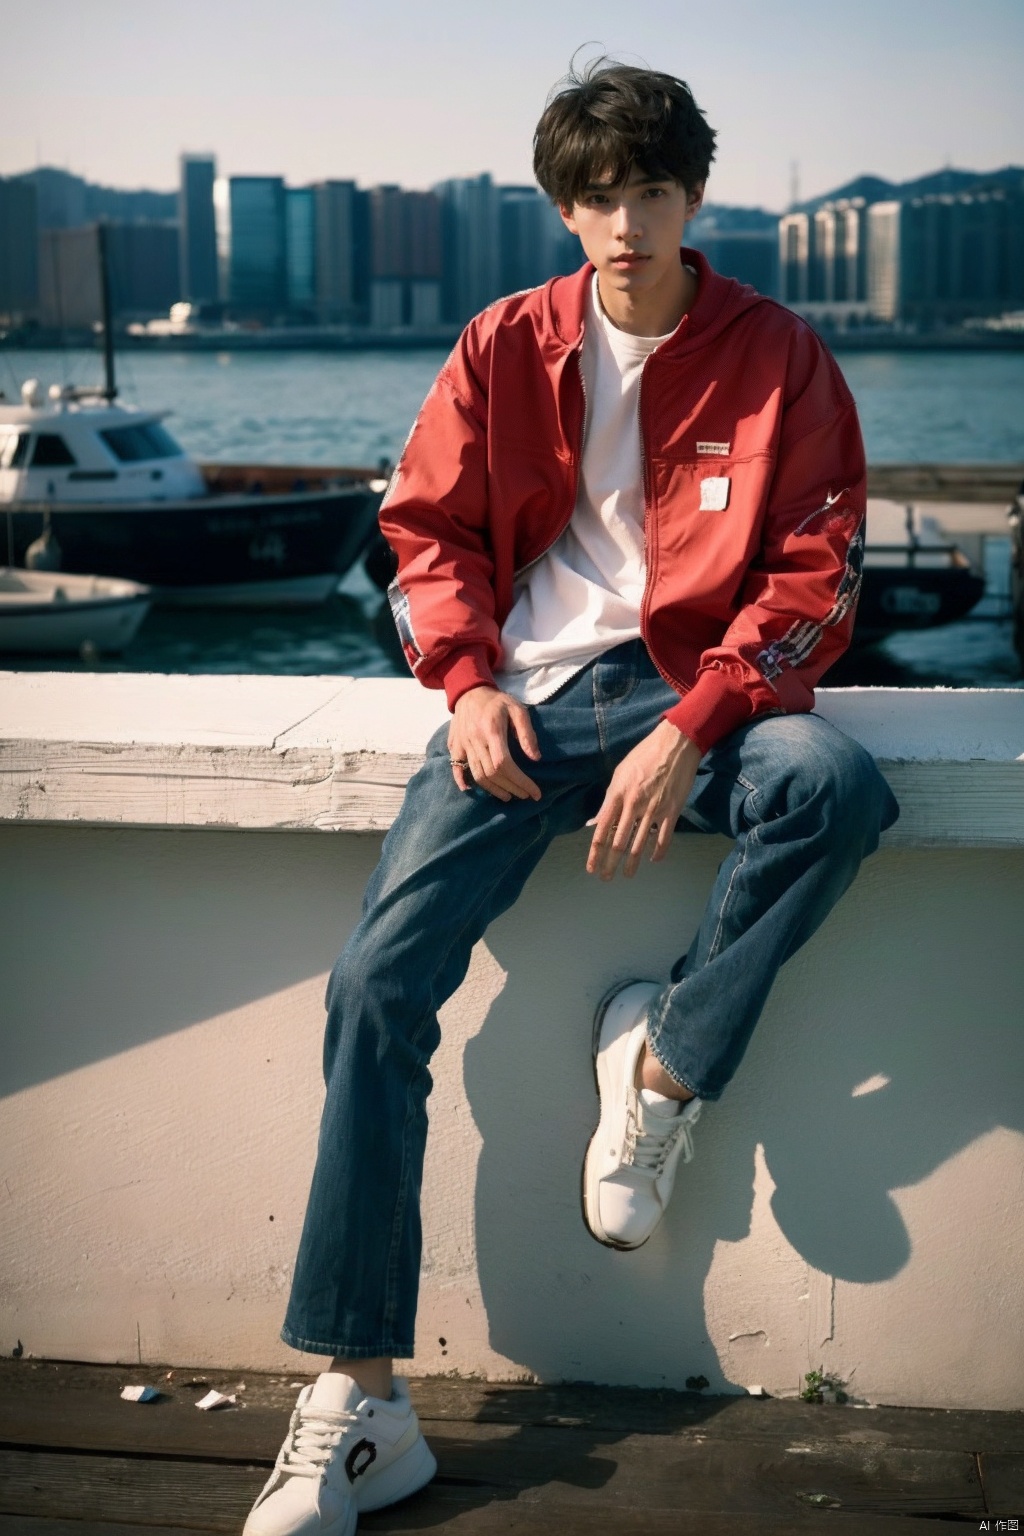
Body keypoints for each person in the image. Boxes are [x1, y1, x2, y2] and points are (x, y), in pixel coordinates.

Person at [243, 59, 899, 1536]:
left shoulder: (780, 354)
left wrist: (703, 719)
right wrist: (468, 684)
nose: (624, 221)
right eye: (597, 195)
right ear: (563, 206)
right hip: (521, 712)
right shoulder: (500, 344)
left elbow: (818, 572)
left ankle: (662, 1072)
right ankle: (359, 1401)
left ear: (694, 200)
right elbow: (423, 532)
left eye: (651, 191)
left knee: (835, 786)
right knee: (374, 988)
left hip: (697, 696)